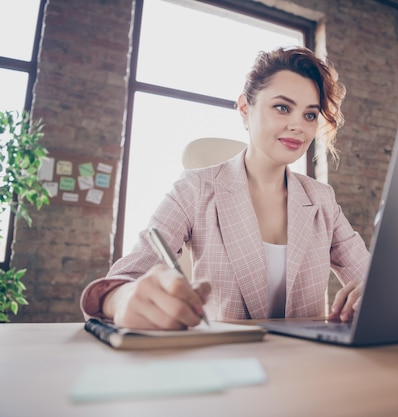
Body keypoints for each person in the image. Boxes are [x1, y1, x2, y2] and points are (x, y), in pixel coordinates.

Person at [80, 46, 370, 330]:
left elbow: (374, 279)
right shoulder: (195, 188)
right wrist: (120, 298)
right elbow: (124, 278)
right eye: (282, 108)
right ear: (245, 107)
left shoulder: (321, 199)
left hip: (307, 366)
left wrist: (369, 293)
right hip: (223, 362)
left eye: (309, 115)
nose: (298, 125)